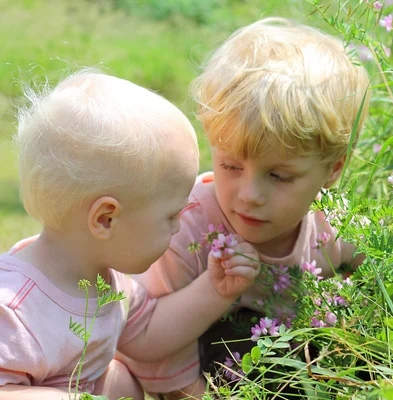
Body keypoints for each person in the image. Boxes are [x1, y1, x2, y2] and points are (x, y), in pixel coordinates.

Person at [124, 17, 371, 399]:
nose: (249, 195)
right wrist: (191, 394)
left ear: (332, 170)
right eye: (231, 166)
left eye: (279, 176)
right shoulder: (183, 226)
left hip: (283, 363)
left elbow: (377, 264)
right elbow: (144, 337)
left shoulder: (330, 220)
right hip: (196, 375)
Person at [0, 71, 260, 399]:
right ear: (107, 219)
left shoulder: (107, 282)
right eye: (169, 216)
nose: (178, 227)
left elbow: (150, 334)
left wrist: (214, 289)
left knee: (120, 379)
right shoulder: (14, 309)